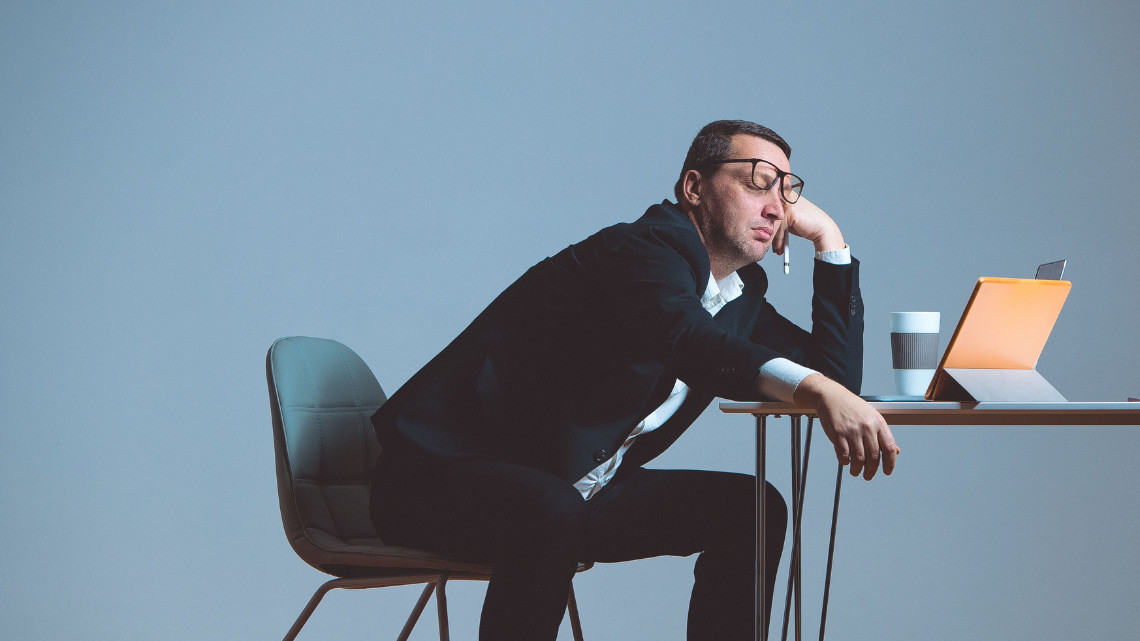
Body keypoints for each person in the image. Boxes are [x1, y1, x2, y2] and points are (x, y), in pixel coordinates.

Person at [369, 120, 900, 640]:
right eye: (757, 182)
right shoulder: (644, 249)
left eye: (786, 191)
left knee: (752, 511)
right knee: (549, 512)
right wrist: (817, 389)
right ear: (694, 187)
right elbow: (694, 345)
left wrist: (831, 241)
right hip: (436, 479)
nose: (777, 206)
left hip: (572, 486)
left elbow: (833, 381)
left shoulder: (738, 294)